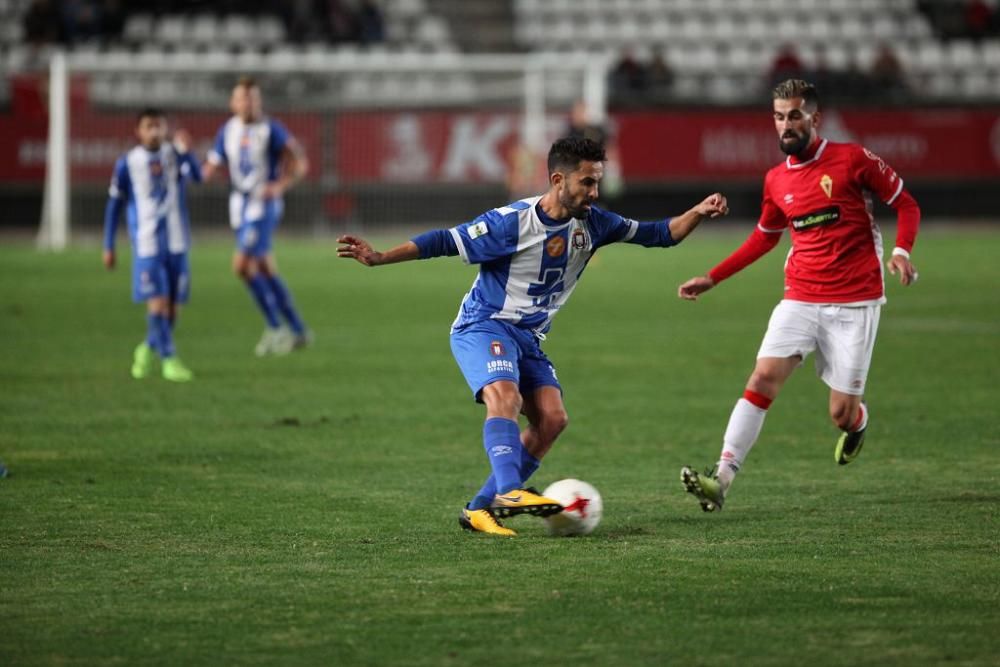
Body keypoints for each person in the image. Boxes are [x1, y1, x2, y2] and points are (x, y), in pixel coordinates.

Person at [338, 136, 729, 536]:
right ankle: (510, 491)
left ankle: (478, 510)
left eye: (597, 183)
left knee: (552, 420)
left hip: (528, 338)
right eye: (587, 183)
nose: (595, 193)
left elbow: (661, 234)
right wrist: (380, 257)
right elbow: (444, 240)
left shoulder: (596, 223)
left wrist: (697, 211)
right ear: (558, 180)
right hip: (484, 324)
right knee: (504, 396)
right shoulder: (512, 222)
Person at [677, 79, 921, 512]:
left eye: (793, 115)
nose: (785, 125)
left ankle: (858, 422)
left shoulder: (853, 159)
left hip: (855, 301)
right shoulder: (775, 180)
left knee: (841, 415)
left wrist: (901, 251)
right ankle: (722, 478)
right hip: (801, 299)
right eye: (778, 116)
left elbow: (906, 204)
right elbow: (764, 238)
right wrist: (712, 277)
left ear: (814, 117)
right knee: (761, 379)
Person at [202, 76, 312, 356]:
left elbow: (300, 162)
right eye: (242, 98)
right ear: (233, 102)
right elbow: (210, 168)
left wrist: (281, 185)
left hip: (263, 206)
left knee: (241, 266)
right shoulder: (227, 130)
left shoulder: (271, 129)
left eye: (252, 98)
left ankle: (276, 327)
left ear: (259, 101)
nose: (248, 103)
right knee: (265, 268)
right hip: (239, 205)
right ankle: (299, 329)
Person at [103, 108, 201, 382]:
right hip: (146, 244)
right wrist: (108, 244)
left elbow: (198, 177)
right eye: (149, 126)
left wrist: (189, 151)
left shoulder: (174, 155)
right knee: (157, 305)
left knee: (172, 310)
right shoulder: (127, 163)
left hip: (177, 242)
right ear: (139, 131)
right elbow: (115, 205)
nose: (155, 131)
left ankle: (147, 348)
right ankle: (170, 360)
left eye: (159, 126)